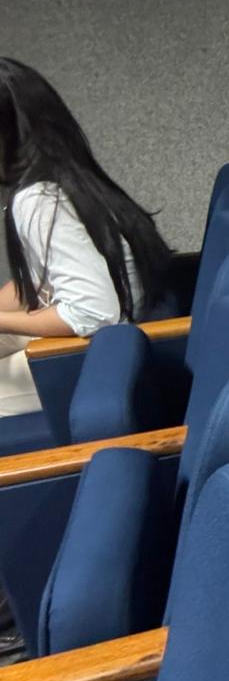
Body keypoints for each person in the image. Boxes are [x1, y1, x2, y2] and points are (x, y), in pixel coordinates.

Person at [0, 58, 171, 417]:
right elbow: (44, 278)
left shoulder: (37, 201)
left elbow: (94, 313)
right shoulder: (64, 173)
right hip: (117, 335)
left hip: (99, 360)